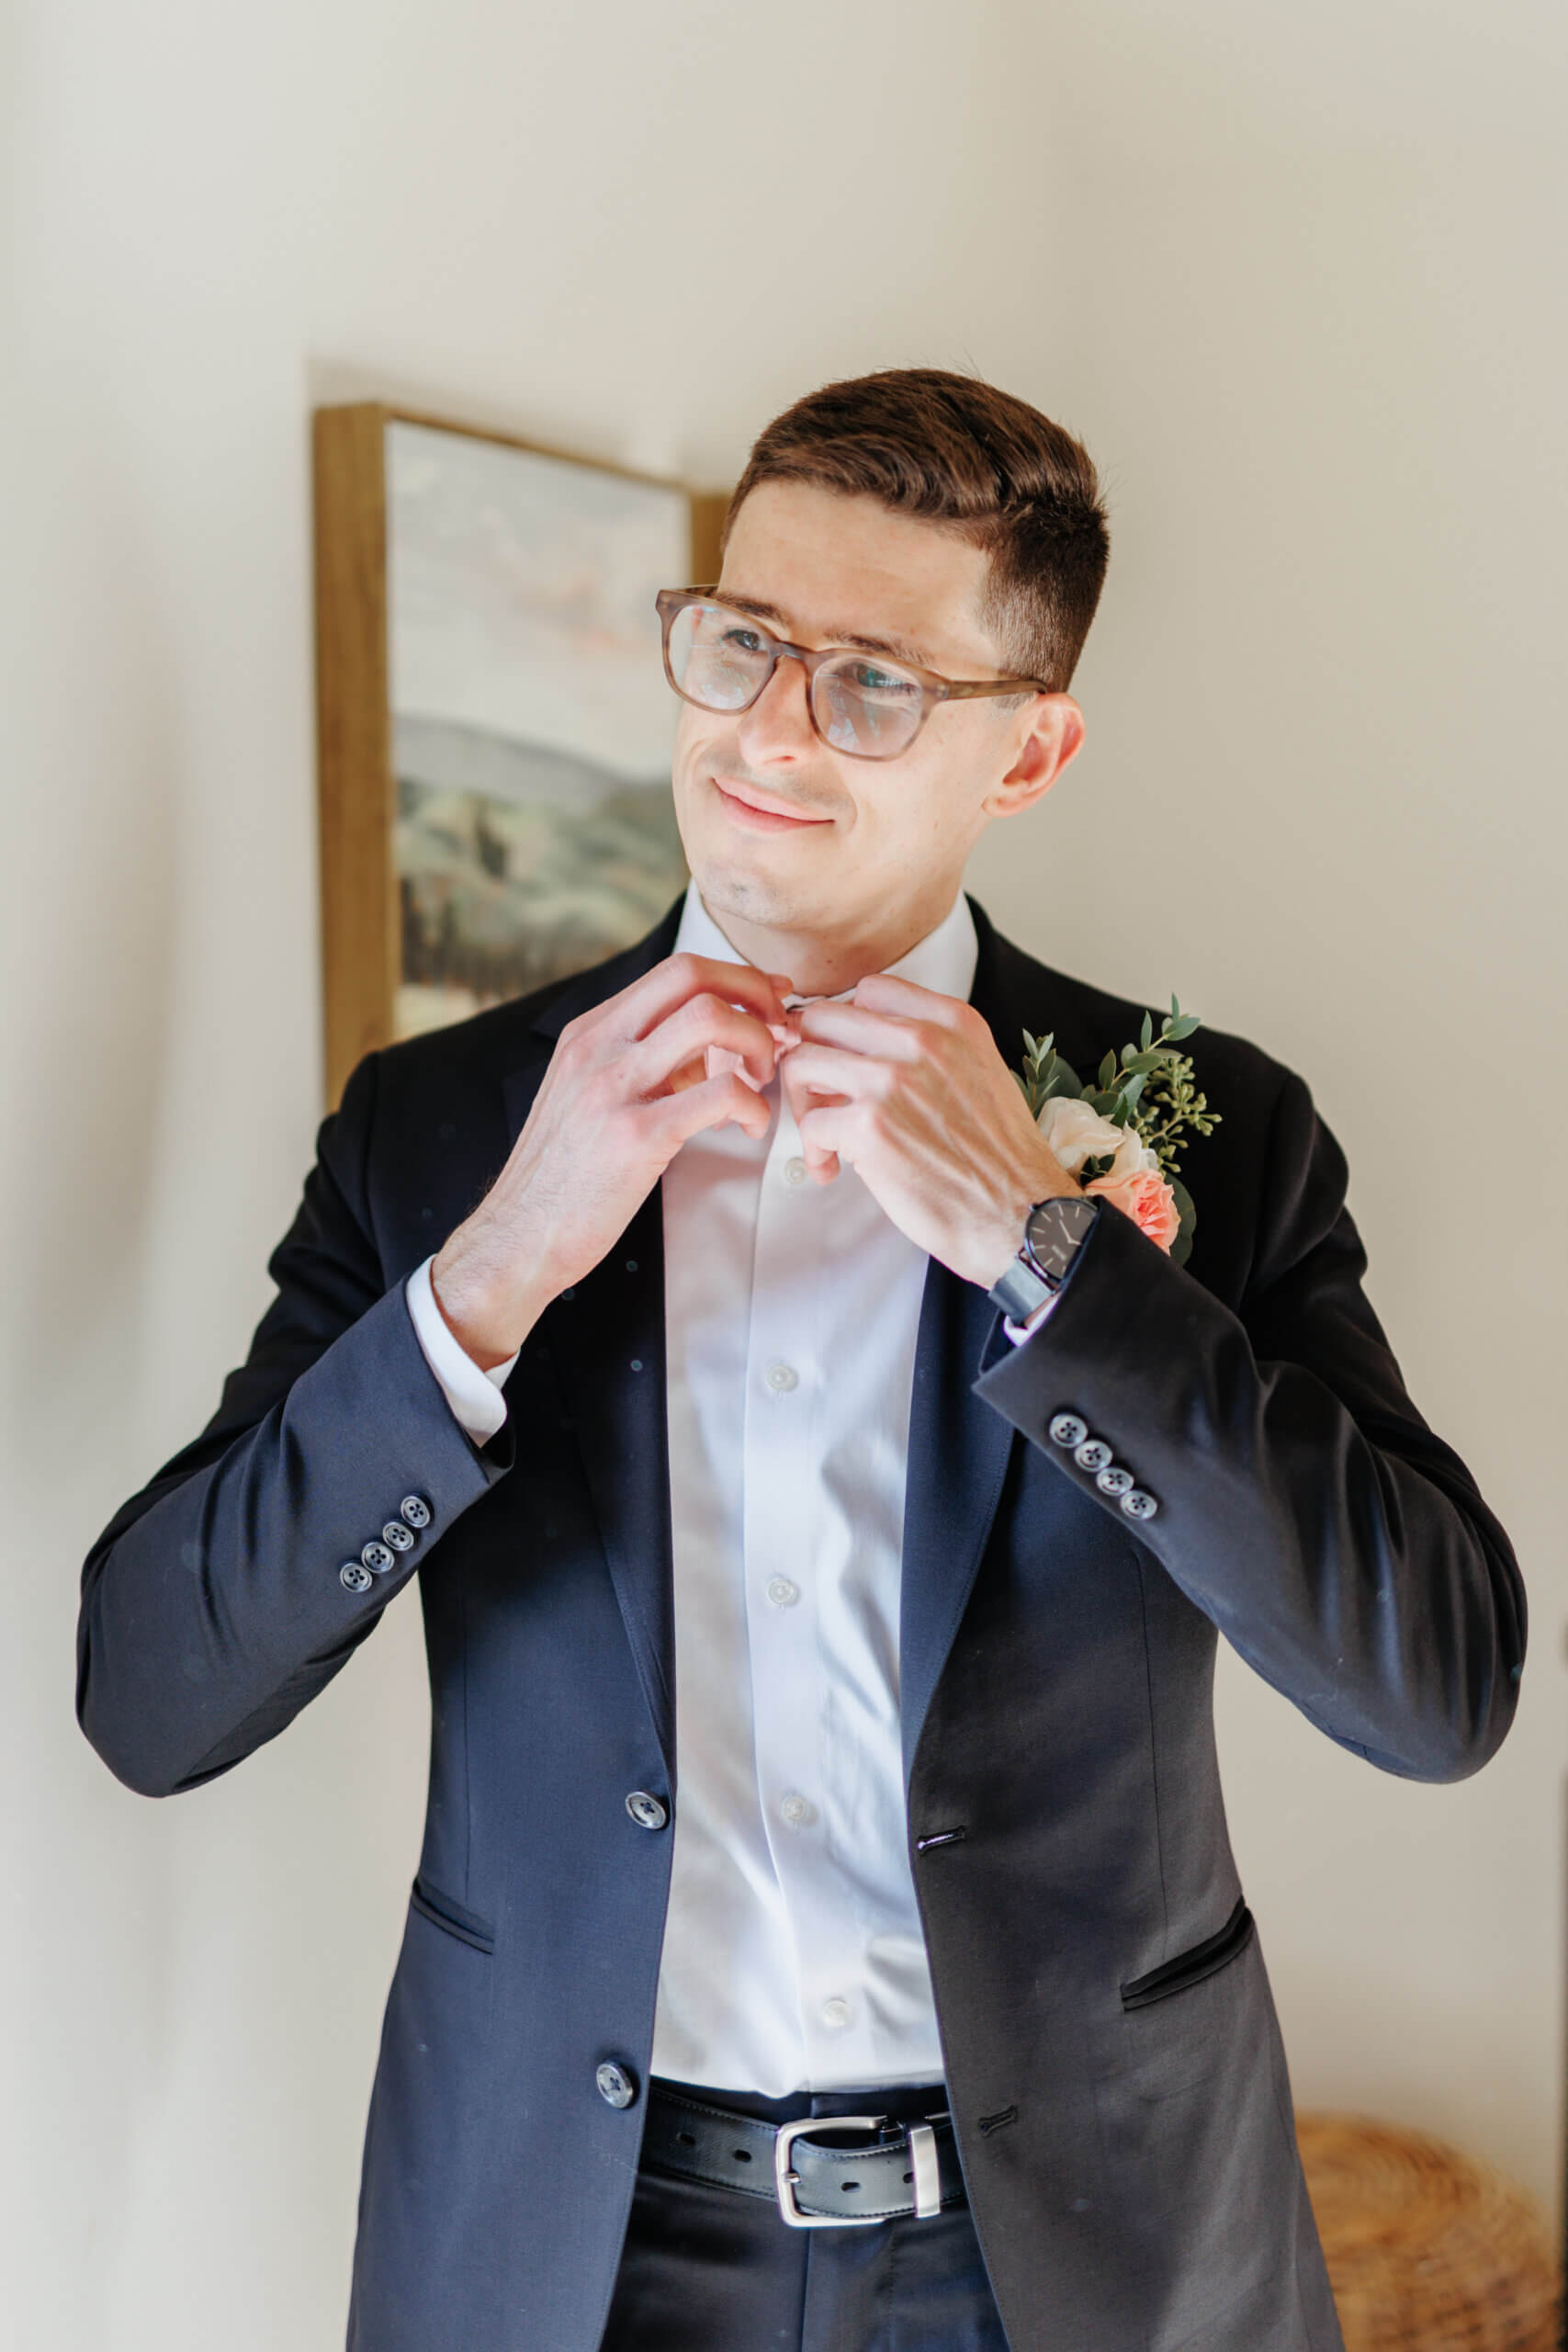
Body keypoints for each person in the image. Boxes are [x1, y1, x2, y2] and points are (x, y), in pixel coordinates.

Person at [76, 368, 1525, 2352]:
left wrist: (1049, 1254)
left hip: (1085, 2253)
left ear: (1026, 753)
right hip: (567, 2253)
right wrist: (495, 1268)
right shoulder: (436, 1129)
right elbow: (152, 1688)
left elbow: (1428, 1680)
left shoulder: (1210, 1126)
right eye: (741, 639)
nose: (765, 726)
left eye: (869, 682)